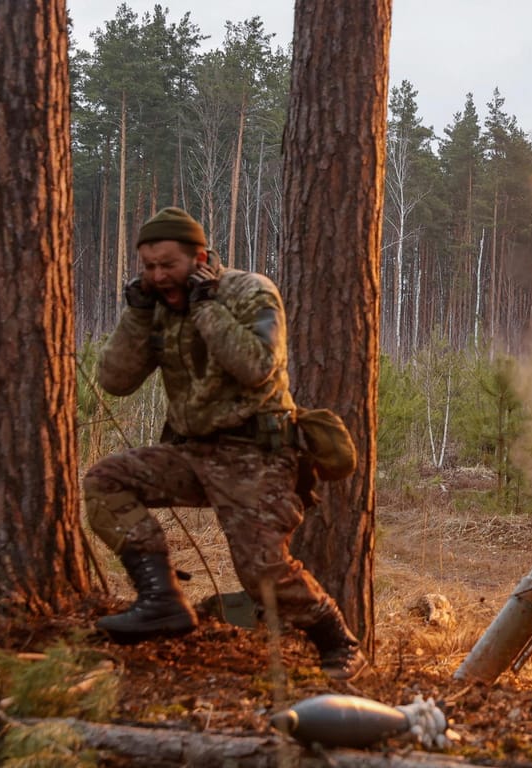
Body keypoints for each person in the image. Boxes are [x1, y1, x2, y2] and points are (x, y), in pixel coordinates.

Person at [84, 206, 367, 681]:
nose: (157, 277)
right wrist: (136, 314)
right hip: (193, 453)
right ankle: (161, 601)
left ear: (198, 257)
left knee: (262, 575)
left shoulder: (248, 291)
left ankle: (338, 641)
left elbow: (258, 365)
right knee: (106, 481)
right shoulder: (155, 307)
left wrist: (205, 306)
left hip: (258, 455)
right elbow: (114, 381)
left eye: (167, 266)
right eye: (148, 267)